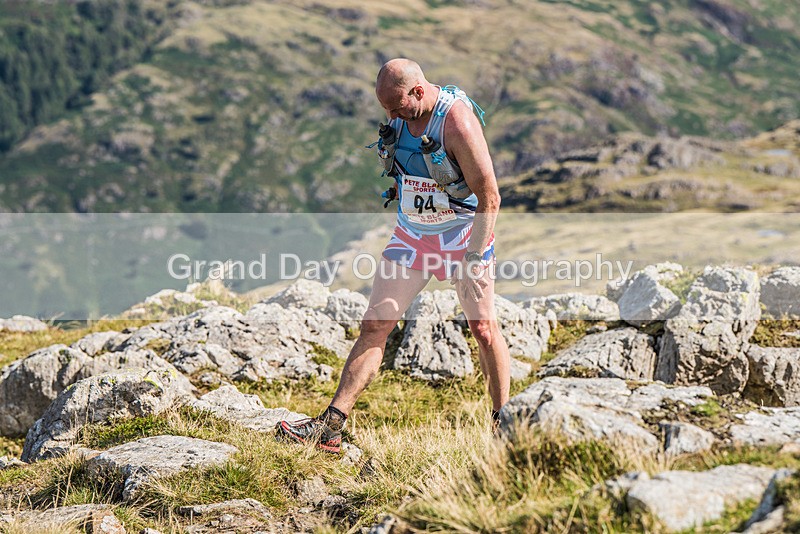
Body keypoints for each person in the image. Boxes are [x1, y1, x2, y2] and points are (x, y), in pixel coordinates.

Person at [276, 58, 510, 453]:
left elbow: (490, 197)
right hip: (414, 234)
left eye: (397, 107)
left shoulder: (457, 123)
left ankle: (505, 424)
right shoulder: (400, 112)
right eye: (386, 109)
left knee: (483, 330)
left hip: (462, 234)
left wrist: (472, 259)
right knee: (374, 325)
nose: (393, 116)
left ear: (418, 91)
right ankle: (330, 427)